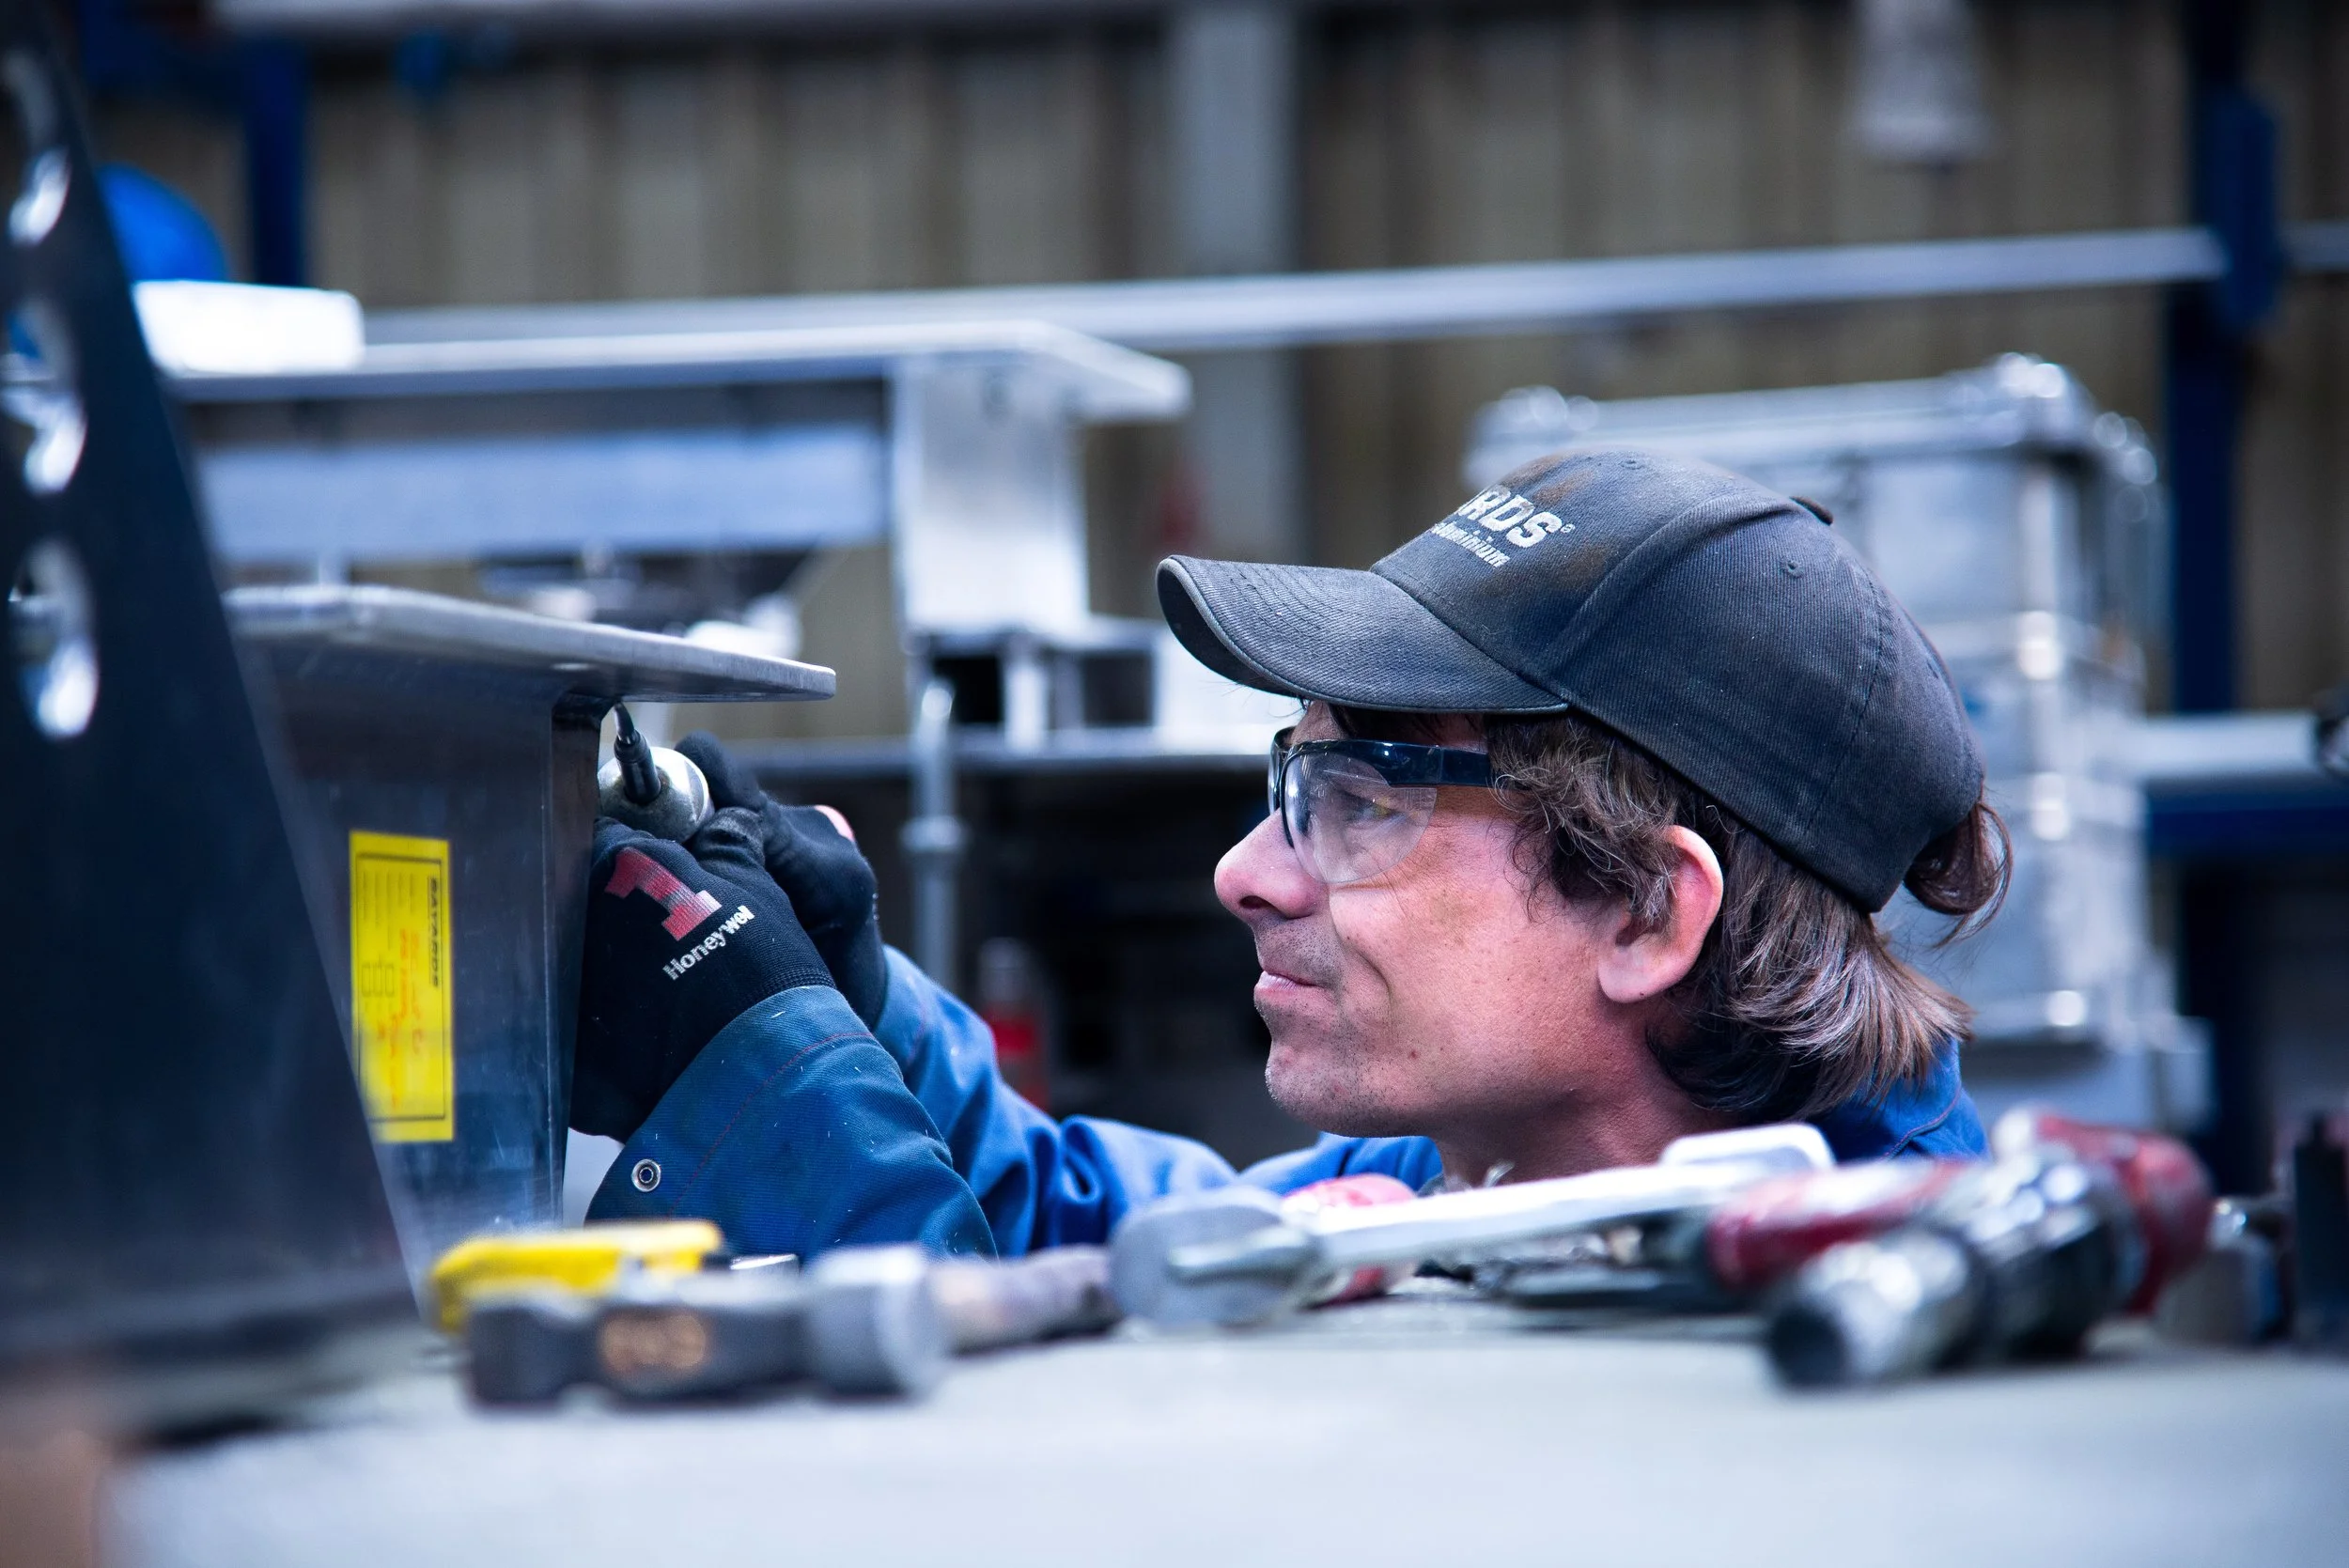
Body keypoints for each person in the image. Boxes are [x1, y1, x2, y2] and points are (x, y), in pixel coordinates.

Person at [573, 448, 2008, 1259]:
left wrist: (778, 1096)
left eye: (1365, 797)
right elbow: (1128, 1251)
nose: (1246, 875)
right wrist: (858, 1008)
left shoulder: (1819, 1336)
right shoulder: (1500, 1178)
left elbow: (1039, 1495)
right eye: (1292, 781)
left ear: (1646, 912)